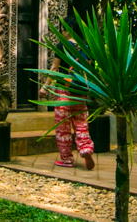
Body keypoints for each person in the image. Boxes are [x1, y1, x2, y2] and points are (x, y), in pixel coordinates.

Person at [47, 18, 95, 170]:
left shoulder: (61, 45)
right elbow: (89, 71)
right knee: (81, 125)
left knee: (63, 127)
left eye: (62, 29)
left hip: (63, 92)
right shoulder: (86, 47)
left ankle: (66, 159)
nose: (61, 32)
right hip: (79, 92)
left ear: (67, 30)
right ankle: (85, 149)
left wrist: (44, 87)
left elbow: (54, 69)